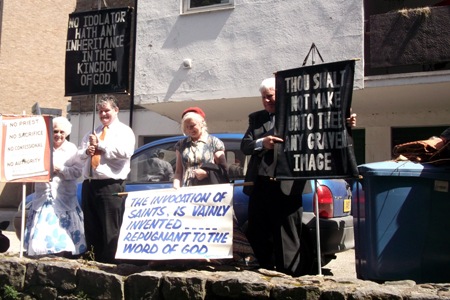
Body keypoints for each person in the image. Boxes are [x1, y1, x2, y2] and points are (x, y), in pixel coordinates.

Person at [241, 77, 356, 276]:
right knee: (257, 233)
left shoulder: (301, 116)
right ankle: (263, 275)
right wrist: (262, 142)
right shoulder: (257, 118)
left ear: (282, 96)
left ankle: (289, 278)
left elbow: (324, 133)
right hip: (260, 186)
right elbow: (246, 146)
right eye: (263, 98)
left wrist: (345, 124)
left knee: (287, 235)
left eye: (270, 96)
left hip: (288, 186)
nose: (266, 101)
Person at [173, 107, 258, 267]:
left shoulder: (214, 142)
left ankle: (226, 256)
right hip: (188, 192)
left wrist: (205, 173)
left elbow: (224, 168)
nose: (190, 129)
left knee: (215, 222)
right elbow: (178, 171)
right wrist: (176, 187)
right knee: (192, 224)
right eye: (187, 127)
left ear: (202, 124)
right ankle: (196, 256)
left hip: (210, 191)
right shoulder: (181, 144)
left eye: (193, 126)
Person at [78, 94, 135, 264]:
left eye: (107, 111)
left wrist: (100, 145)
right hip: (89, 183)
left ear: (116, 110)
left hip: (110, 185)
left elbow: (125, 153)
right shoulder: (92, 132)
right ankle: (93, 259)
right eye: (100, 111)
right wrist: (86, 151)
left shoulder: (124, 131)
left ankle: (110, 262)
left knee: (110, 227)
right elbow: (79, 155)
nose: (103, 114)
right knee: (91, 224)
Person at [24, 117, 86, 257]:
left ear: (67, 133)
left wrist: (61, 169)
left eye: (62, 132)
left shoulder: (71, 149)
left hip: (64, 197)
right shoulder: (42, 147)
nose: (58, 135)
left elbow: (78, 171)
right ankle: (42, 256)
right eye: (55, 131)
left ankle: (63, 255)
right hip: (43, 196)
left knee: (63, 233)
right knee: (43, 234)